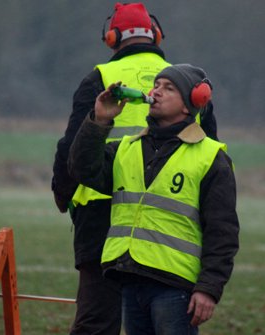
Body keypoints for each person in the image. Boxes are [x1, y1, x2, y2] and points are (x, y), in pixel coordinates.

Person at [52, 3, 218, 334]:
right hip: (169, 225)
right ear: (155, 35)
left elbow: (71, 148)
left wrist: (64, 195)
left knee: (97, 322)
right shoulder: (187, 83)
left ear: (111, 38)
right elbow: (209, 153)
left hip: (99, 213)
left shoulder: (100, 78)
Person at [67, 64, 239, 335]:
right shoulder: (126, 147)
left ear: (191, 104)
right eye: (156, 85)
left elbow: (223, 231)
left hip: (175, 286)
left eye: (168, 88)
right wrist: (99, 121)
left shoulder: (211, 157)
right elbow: (82, 170)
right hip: (130, 279)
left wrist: (208, 289)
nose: (156, 92)